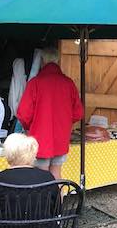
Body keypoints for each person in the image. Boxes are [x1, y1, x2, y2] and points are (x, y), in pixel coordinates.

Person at [17, 47, 83, 179]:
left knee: (41, 177)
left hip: (39, 137)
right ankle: (58, 201)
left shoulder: (35, 83)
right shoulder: (68, 83)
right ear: (57, 61)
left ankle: (45, 201)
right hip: (61, 137)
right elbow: (78, 113)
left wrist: (29, 128)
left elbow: (23, 114)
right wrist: (64, 122)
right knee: (56, 173)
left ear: (42, 61)